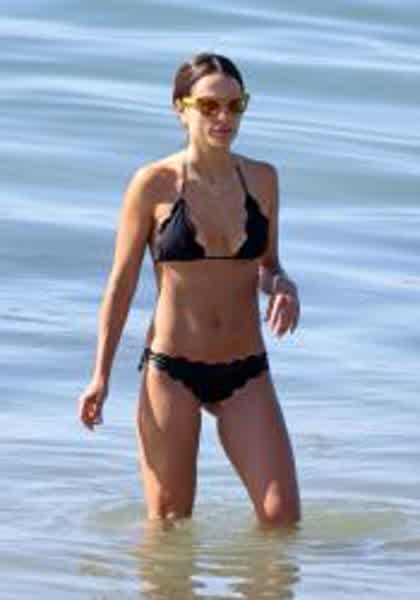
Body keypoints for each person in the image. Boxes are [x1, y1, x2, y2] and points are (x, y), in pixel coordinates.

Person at [78, 52, 301, 527]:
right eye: (209, 106)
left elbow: (267, 265)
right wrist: (100, 375)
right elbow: (121, 284)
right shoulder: (152, 184)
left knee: (282, 517)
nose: (224, 118)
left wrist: (283, 286)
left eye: (235, 105)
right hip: (172, 370)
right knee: (170, 525)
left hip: (247, 369)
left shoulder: (262, 179)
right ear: (181, 109)